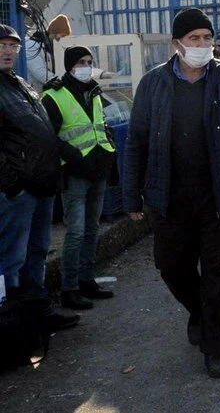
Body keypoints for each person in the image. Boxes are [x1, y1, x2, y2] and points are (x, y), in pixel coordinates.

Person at [123, 8, 220, 378]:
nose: (203, 45)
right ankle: (199, 311)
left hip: (219, 194)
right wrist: (131, 196)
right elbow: (136, 141)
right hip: (168, 194)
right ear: (176, 44)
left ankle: (215, 347)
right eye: (194, 39)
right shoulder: (153, 83)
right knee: (171, 265)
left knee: (219, 271)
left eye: (207, 38)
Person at [0, 24, 79, 332]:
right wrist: (12, 185)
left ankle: (38, 311)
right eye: (2, 44)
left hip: (42, 187)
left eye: (12, 45)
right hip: (18, 193)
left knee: (37, 252)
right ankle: (14, 321)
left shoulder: (20, 83)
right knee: (12, 259)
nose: (8, 50)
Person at [40, 46, 117, 311]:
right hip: (74, 174)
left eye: (89, 61)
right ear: (70, 65)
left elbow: (99, 126)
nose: (86, 66)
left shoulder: (93, 91)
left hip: (97, 170)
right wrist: (74, 157)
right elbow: (48, 137)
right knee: (75, 232)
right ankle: (69, 289)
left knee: (92, 229)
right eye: (81, 62)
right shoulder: (53, 95)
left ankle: (87, 280)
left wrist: (108, 148)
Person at [26, 13, 71, 92]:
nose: (63, 39)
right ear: (55, 32)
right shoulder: (32, 46)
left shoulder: (50, 48)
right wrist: (61, 81)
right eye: (63, 36)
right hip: (34, 91)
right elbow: (39, 72)